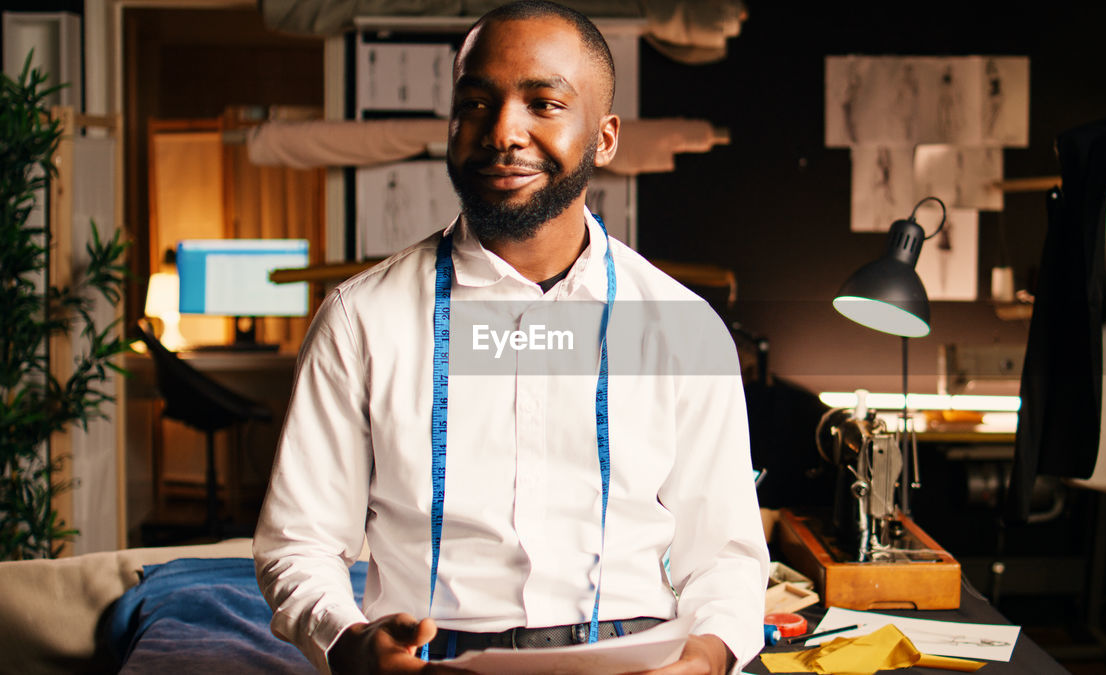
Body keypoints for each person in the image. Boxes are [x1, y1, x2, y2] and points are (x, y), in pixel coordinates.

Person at [252, 2, 769, 674]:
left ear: (605, 137)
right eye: (476, 103)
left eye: (544, 104)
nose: (503, 132)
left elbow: (726, 554)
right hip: (431, 661)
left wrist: (707, 653)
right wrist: (348, 641)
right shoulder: (360, 320)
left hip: (637, 660)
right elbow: (298, 543)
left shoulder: (683, 327)